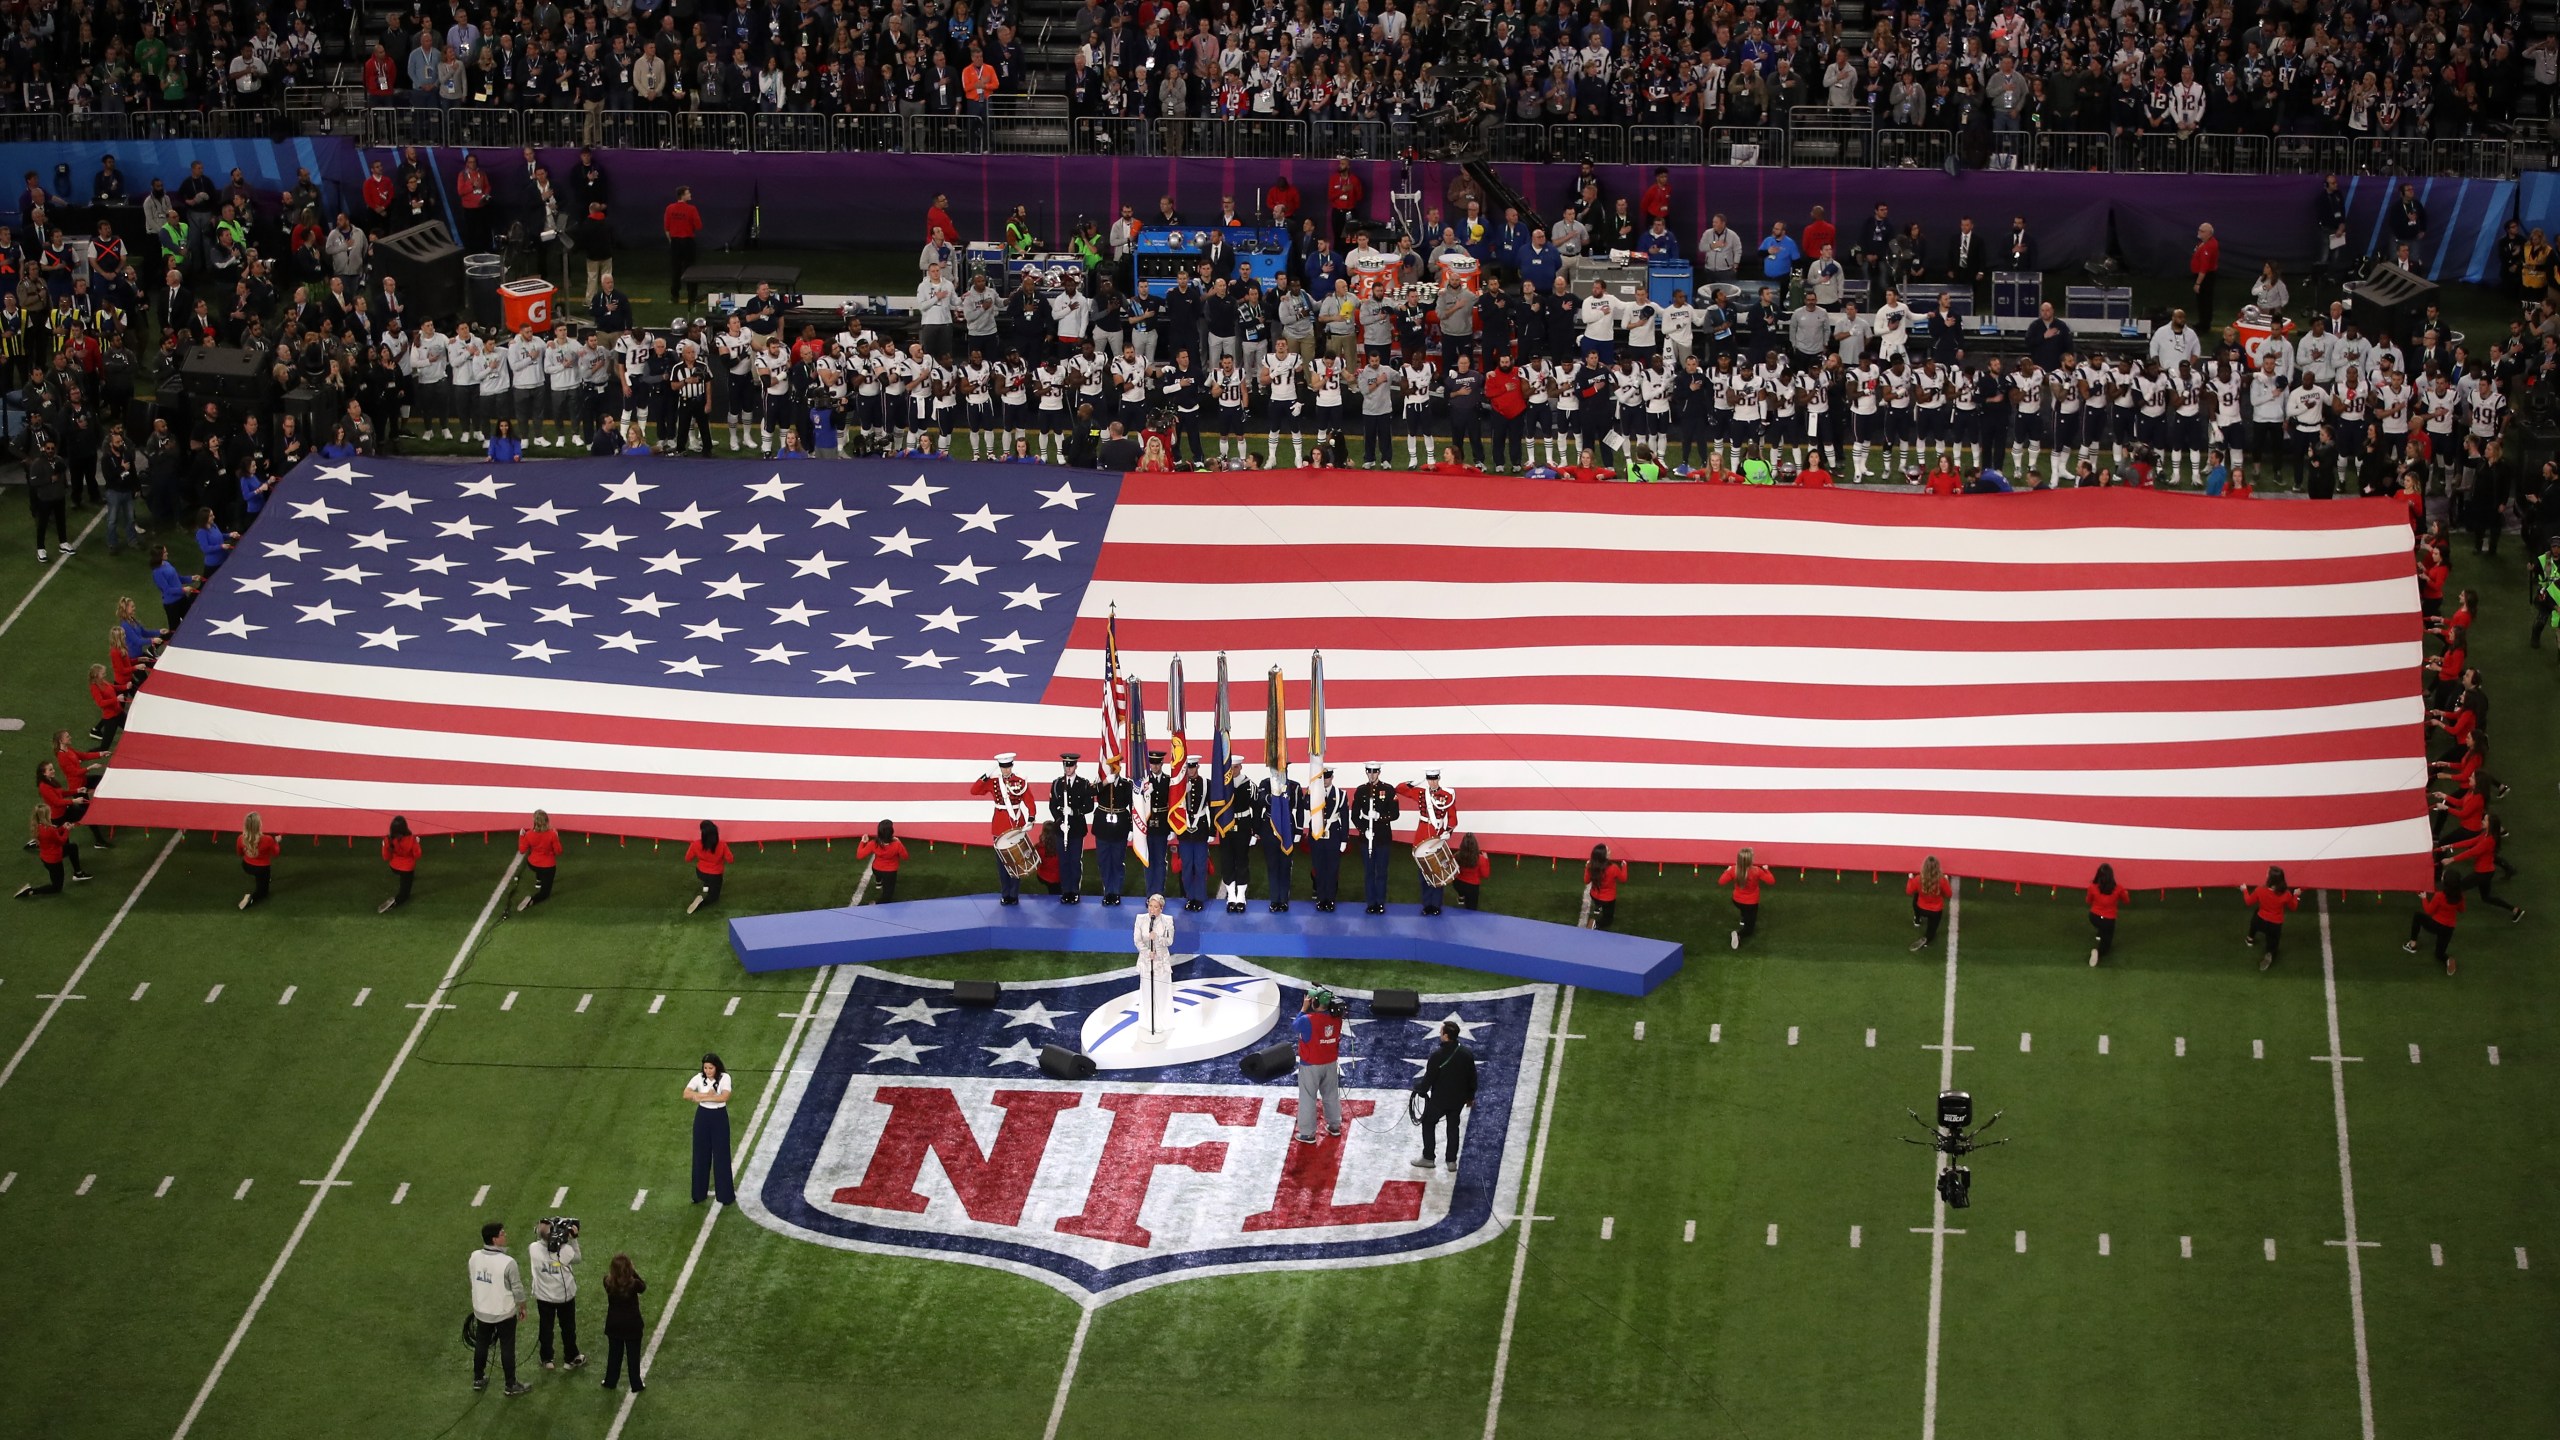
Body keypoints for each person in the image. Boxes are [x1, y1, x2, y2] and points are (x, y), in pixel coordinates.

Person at [468, 1221, 532, 1396]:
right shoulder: (508, 1262)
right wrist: (523, 1307)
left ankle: (478, 1378)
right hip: (503, 1312)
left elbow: (473, 1279)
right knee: (507, 1347)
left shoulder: (474, 1256)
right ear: (495, 1239)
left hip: (482, 1310)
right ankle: (510, 1384)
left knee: (481, 1344)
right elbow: (517, 1288)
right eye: (503, 1234)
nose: (506, 1236)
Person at [1412, 1017, 1477, 1172]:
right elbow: (1472, 1078)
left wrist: (1419, 1090)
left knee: (1428, 1123)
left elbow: (1429, 1078)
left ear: (1446, 1036)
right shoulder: (1467, 1054)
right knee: (1453, 1128)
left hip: (1439, 1100)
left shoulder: (1437, 1055)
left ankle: (1428, 1157)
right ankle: (1451, 1161)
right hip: (1458, 1100)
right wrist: (1470, 1097)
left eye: (1441, 1032)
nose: (1440, 1034)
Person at [970, 753, 1034, 906]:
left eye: (1008, 767)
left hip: (1016, 824)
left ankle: (1014, 894)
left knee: (1017, 861)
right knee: (1002, 863)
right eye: (1002, 768)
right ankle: (1005, 893)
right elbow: (974, 790)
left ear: (1012, 766)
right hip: (999, 825)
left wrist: (1031, 818)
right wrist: (985, 775)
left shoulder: (1020, 781)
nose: (1005, 771)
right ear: (999, 768)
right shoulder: (993, 781)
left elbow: (1029, 800)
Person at [528, 1218, 585, 1374]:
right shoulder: (565, 1250)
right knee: (568, 1328)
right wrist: (573, 1239)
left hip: (543, 1297)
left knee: (546, 1328)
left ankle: (547, 1359)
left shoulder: (533, 1248)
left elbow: (543, 1240)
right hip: (563, 1296)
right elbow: (578, 1258)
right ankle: (571, 1357)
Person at [1291, 988, 1345, 1144]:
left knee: (1308, 1097)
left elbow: (1295, 1026)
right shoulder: (1337, 1019)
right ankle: (1334, 1125)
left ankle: (1308, 1134)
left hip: (1310, 1065)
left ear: (1313, 1002)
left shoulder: (1306, 1020)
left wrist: (1303, 1008)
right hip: (1330, 1063)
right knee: (1331, 1094)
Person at [684, 1054, 735, 1205]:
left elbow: (724, 1097)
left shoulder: (725, 1077)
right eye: (705, 1068)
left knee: (721, 1155)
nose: (707, 1071)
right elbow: (686, 1094)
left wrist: (700, 1097)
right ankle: (698, 1194)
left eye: (710, 1068)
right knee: (700, 1155)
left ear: (717, 1067)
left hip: (719, 1118)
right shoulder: (698, 1078)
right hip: (703, 1117)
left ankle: (726, 1196)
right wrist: (706, 1095)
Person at [1350, 761, 1400, 914]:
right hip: (1367, 838)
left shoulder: (1388, 790)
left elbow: (1395, 814)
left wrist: (1379, 816)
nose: (1372, 775)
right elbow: (1354, 815)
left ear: (1379, 773)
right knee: (1369, 872)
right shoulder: (1361, 790)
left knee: (1382, 872)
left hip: (1383, 837)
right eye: (1369, 772)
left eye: (1374, 772)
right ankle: (1370, 902)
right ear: (1366, 772)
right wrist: (1363, 829)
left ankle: (1380, 902)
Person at [1047, 752, 1095, 903]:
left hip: (1076, 829)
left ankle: (1074, 891)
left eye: (1071, 765)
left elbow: (1089, 806)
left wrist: (1074, 811)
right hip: (1062, 829)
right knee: (1063, 861)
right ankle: (1065, 891)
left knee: (1075, 861)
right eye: (1065, 765)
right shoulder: (1057, 783)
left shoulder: (1084, 784)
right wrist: (1059, 821)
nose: (1068, 768)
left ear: (1076, 766)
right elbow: (1053, 805)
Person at [2403, 870, 2466, 976]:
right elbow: (2461, 910)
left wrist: (2424, 898)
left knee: (2417, 916)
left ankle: (2412, 944)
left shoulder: (2439, 896)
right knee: (2439, 954)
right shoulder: (2459, 896)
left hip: (2436, 925)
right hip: (2448, 929)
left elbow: (2428, 910)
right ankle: (2448, 960)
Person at [600, 1254, 647, 1395]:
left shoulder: (607, 1282)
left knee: (614, 1354)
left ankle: (610, 1381)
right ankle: (636, 1383)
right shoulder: (634, 1284)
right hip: (632, 1324)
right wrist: (633, 1272)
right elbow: (643, 1287)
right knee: (633, 1355)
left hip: (614, 1324)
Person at [16, 802, 84, 897]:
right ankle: (30, 891)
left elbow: (53, 835)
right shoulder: (49, 829)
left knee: (72, 847)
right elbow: (61, 841)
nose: (51, 813)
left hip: (46, 857)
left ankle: (78, 872)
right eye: (49, 812)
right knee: (56, 887)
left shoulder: (39, 826)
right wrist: (67, 830)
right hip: (54, 860)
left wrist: (63, 827)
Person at [1132, 892, 1176, 1039]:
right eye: (1150, 906)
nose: (1152, 909)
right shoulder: (1140, 919)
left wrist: (1157, 938)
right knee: (1147, 991)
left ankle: (1162, 1022)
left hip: (1161, 962)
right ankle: (1147, 1022)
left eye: (1155, 907)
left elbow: (1170, 941)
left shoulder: (1167, 921)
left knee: (1161, 992)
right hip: (1146, 960)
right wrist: (1146, 952)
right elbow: (1137, 940)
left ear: (1161, 908)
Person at [2242, 866, 2298, 970]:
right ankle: (2269, 953)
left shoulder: (2260, 890)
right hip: (2275, 925)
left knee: (2255, 916)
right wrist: (2295, 895)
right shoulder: (2286, 894)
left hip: (2260, 920)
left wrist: (2245, 890)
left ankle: (2250, 938)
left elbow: (2248, 901)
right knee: (2273, 943)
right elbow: (2293, 907)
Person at [1719, 847, 1774, 949]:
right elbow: (1771, 881)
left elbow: (1721, 882)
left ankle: (1744, 918)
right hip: (1751, 903)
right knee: (1750, 929)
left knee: (1744, 910)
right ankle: (1739, 934)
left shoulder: (1733, 870)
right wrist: (1767, 870)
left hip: (1737, 900)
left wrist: (1727, 871)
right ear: (1751, 860)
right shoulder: (1757, 871)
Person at [684, 820, 733, 915]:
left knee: (707, 880)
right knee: (714, 898)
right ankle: (700, 903)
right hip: (715, 875)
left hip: (700, 873)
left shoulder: (695, 844)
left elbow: (687, 859)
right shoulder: (722, 845)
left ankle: (705, 887)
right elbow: (730, 859)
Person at [516, 810, 561, 912]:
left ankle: (539, 880)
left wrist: (521, 836)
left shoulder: (528, 834)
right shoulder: (552, 834)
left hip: (533, 864)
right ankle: (532, 900)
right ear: (547, 821)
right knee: (544, 894)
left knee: (539, 869)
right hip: (548, 867)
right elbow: (558, 851)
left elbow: (522, 850)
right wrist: (556, 837)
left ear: (534, 822)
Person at [856, 819, 907, 903]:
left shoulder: (873, 843)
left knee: (877, 873)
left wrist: (863, 842)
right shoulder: (897, 844)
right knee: (887, 896)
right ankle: (876, 904)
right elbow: (905, 857)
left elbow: (859, 855)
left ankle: (878, 881)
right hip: (890, 873)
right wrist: (900, 842)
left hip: (876, 869)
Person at [1906, 856, 1950, 952]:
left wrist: (1910, 879)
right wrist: (1946, 881)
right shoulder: (1942, 881)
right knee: (1931, 932)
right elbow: (1949, 894)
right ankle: (1927, 938)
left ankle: (1917, 919)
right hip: (1936, 912)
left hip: (1921, 908)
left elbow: (1909, 891)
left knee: (1916, 896)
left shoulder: (1918, 879)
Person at [237, 811, 279, 910]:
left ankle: (264, 879)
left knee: (260, 876)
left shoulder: (240, 838)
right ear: (259, 825)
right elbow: (275, 853)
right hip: (262, 869)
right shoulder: (268, 839)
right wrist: (276, 842)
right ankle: (251, 899)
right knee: (263, 892)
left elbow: (240, 853)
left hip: (247, 866)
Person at [380, 814, 421, 913]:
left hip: (394, 867)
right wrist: (417, 843)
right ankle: (395, 902)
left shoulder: (388, 840)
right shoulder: (412, 839)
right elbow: (418, 855)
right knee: (405, 894)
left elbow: (386, 857)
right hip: (407, 870)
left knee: (405, 880)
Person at [2086, 863, 2124, 965]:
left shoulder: (2092, 887)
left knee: (2101, 926)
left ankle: (2100, 933)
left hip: (2094, 917)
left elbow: (2088, 901)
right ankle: (2098, 952)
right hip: (2108, 921)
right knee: (2106, 944)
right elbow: (2126, 900)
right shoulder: (2119, 889)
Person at [1585, 844, 1628, 930]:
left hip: (1594, 895)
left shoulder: (1591, 866)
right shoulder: (1613, 868)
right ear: (1604, 856)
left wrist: (1586, 867)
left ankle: (1598, 907)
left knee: (1598, 903)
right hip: (1608, 899)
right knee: (1608, 919)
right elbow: (1623, 879)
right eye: (1608, 851)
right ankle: (1595, 924)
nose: (1610, 851)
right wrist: (1624, 867)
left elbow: (1586, 881)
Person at [1452, 833, 1489, 911]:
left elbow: (1452, 869)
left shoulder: (1456, 856)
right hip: (1472, 887)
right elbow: (1485, 875)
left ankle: (1461, 896)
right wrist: (1486, 860)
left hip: (1457, 884)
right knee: (1471, 909)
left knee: (1461, 888)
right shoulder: (1480, 859)